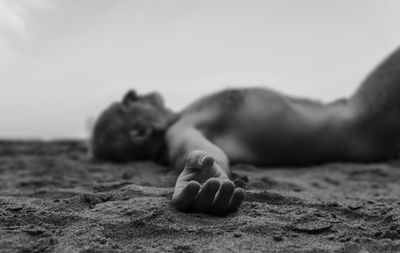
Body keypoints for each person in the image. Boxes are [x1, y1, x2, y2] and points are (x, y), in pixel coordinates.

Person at [90, 46, 400, 215]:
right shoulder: (181, 130)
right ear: (141, 133)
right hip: (360, 122)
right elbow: (194, 149)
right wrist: (207, 167)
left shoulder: (187, 116)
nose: (135, 95)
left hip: (355, 113)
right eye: (127, 105)